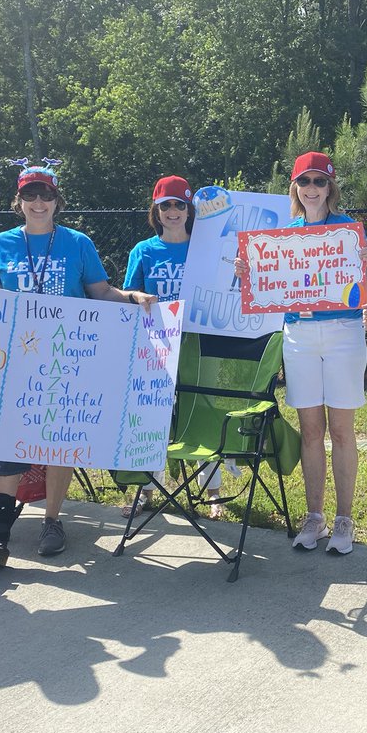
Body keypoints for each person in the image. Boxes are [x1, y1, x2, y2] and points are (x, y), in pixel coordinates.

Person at [0, 161, 156, 568]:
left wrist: (133, 297)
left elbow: (100, 292)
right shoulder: (1, 244)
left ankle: (52, 521)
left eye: (46, 194)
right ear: (19, 201)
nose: (38, 202)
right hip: (18, 358)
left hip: (70, 355)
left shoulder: (78, 243)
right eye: (30, 194)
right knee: (10, 437)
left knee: (60, 439)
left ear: (57, 200)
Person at [238, 151, 367, 554]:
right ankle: (315, 516)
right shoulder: (282, 236)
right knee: (311, 430)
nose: (312, 188)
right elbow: (268, 289)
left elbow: (362, 286)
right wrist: (248, 273)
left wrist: (366, 263)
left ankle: (344, 519)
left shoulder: (348, 230)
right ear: (294, 188)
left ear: (330, 188)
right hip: (299, 335)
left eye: (320, 181)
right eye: (305, 181)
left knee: (342, 430)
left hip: (344, 331)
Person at [120, 175, 220, 517]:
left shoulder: (206, 248)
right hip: (156, 342)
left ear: (190, 210)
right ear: (156, 211)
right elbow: (127, 294)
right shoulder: (144, 250)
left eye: (180, 204)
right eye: (166, 205)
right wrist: (136, 296)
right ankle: (146, 489)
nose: (173, 211)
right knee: (151, 413)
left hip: (199, 342)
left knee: (202, 411)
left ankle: (212, 491)